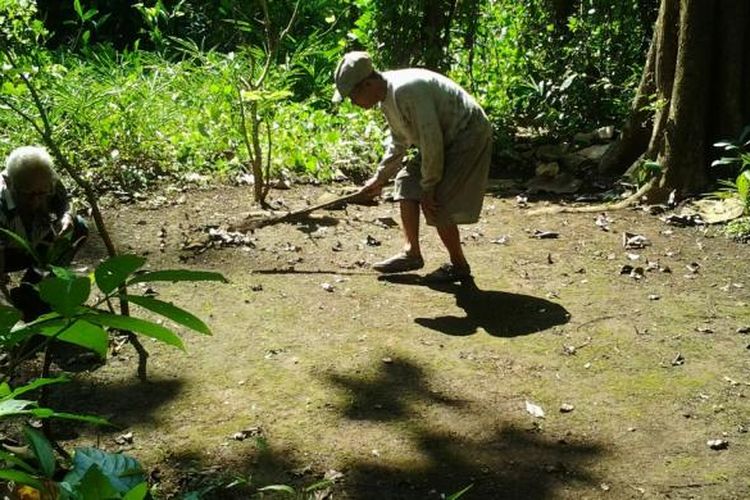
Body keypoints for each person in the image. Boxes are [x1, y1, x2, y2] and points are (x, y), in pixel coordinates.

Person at [333, 51, 492, 282]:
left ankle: (459, 265)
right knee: (406, 181)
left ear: (367, 84)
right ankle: (412, 252)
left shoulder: (406, 91)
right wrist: (379, 179)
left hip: (468, 133)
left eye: (352, 96)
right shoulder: (386, 97)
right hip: (445, 139)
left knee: (438, 200)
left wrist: (429, 186)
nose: (353, 103)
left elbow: (431, 141)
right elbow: (400, 141)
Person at [0, 146, 88, 320]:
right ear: (10, 183)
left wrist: (66, 216)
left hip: (36, 244)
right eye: (27, 195)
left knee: (78, 227)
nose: (37, 201)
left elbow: (67, 202)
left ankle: (32, 289)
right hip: (8, 252)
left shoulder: (47, 182)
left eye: (42, 193)